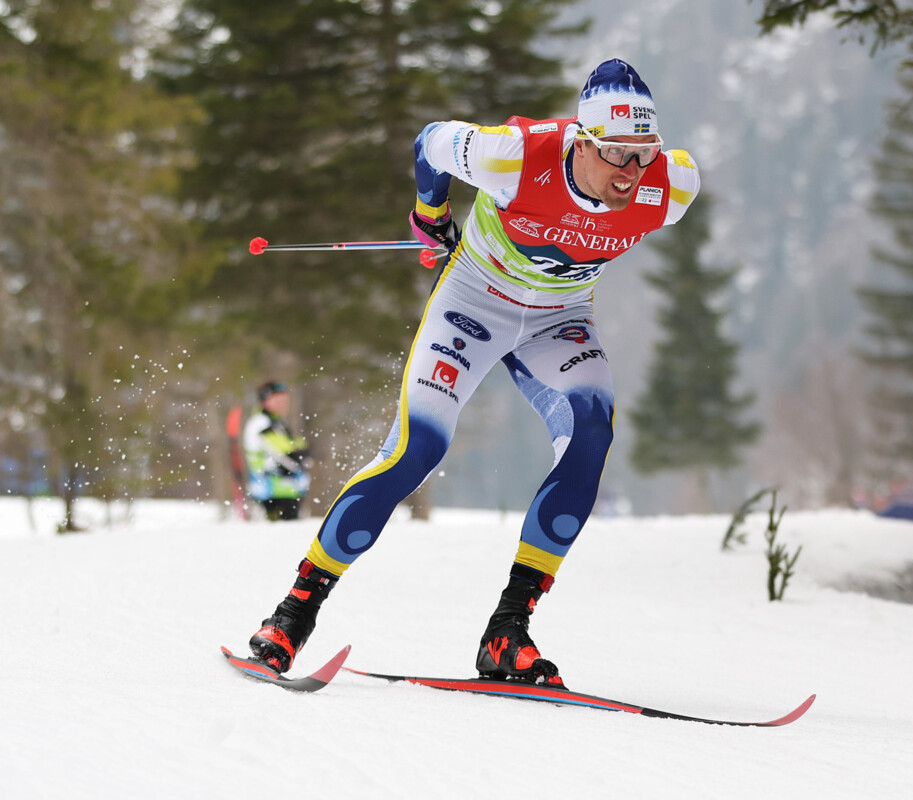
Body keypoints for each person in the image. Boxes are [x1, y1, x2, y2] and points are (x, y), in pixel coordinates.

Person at [246, 59, 700, 686]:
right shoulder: (515, 157)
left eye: (643, 155)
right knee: (417, 448)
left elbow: (652, 182)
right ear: (582, 140)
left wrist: (647, 168)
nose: (631, 173)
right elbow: (431, 141)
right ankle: (294, 613)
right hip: (474, 303)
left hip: (558, 319)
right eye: (617, 155)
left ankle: (507, 631)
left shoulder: (672, 186)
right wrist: (429, 216)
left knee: (592, 435)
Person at [243, 381, 312, 521]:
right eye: (277, 400)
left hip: (286, 492)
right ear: (265, 401)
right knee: (279, 539)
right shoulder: (261, 423)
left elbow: (302, 451)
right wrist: (300, 456)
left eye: (285, 399)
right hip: (272, 495)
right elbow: (290, 456)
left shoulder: (278, 422)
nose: (283, 403)